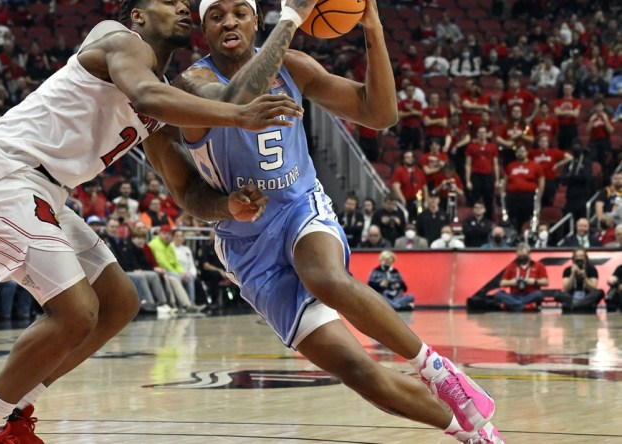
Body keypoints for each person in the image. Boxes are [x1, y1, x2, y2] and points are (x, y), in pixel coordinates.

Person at [0, 0, 302, 441]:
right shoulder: (118, 39)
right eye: (168, 2)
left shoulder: (165, 92)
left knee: (119, 303)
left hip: (43, 190)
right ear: (137, 15)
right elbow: (157, 97)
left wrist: (228, 206)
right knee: (75, 312)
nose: (183, 7)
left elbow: (187, 189)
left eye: (186, 3)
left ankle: (8, 410)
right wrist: (239, 115)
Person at [172, 0, 503, 441]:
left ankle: (439, 371)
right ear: (204, 28)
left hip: (298, 205)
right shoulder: (193, 82)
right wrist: (290, 19)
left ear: (254, 20)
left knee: (324, 275)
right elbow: (238, 99)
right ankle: (473, 435)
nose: (229, 21)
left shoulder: (294, 66)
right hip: (246, 245)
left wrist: (373, 28)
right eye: (217, 16)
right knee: (358, 372)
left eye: (239, 12)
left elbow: (380, 114)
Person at [491, 243, 548, 312]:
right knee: (498, 294)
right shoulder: (511, 266)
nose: (522, 259)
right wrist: (512, 282)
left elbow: (546, 282)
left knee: (539, 294)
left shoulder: (538, 265)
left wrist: (534, 281)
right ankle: (524, 307)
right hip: (514, 295)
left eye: (524, 256)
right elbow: (502, 283)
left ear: (529, 254)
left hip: (530, 295)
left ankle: (512, 306)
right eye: (520, 257)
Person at [554, 248, 604, 313]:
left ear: (586, 258)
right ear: (573, 259)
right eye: (577, 256)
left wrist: (585, 277)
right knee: (557, 294)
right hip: (572, 296)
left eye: (581, 256)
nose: (579, 258)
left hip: (586, 296)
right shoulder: (568, 270)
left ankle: (575, 306)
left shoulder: (592, 269)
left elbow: (593, 288)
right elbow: (566, 288)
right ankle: (581, 305)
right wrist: (572, 274)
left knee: (600, 292)